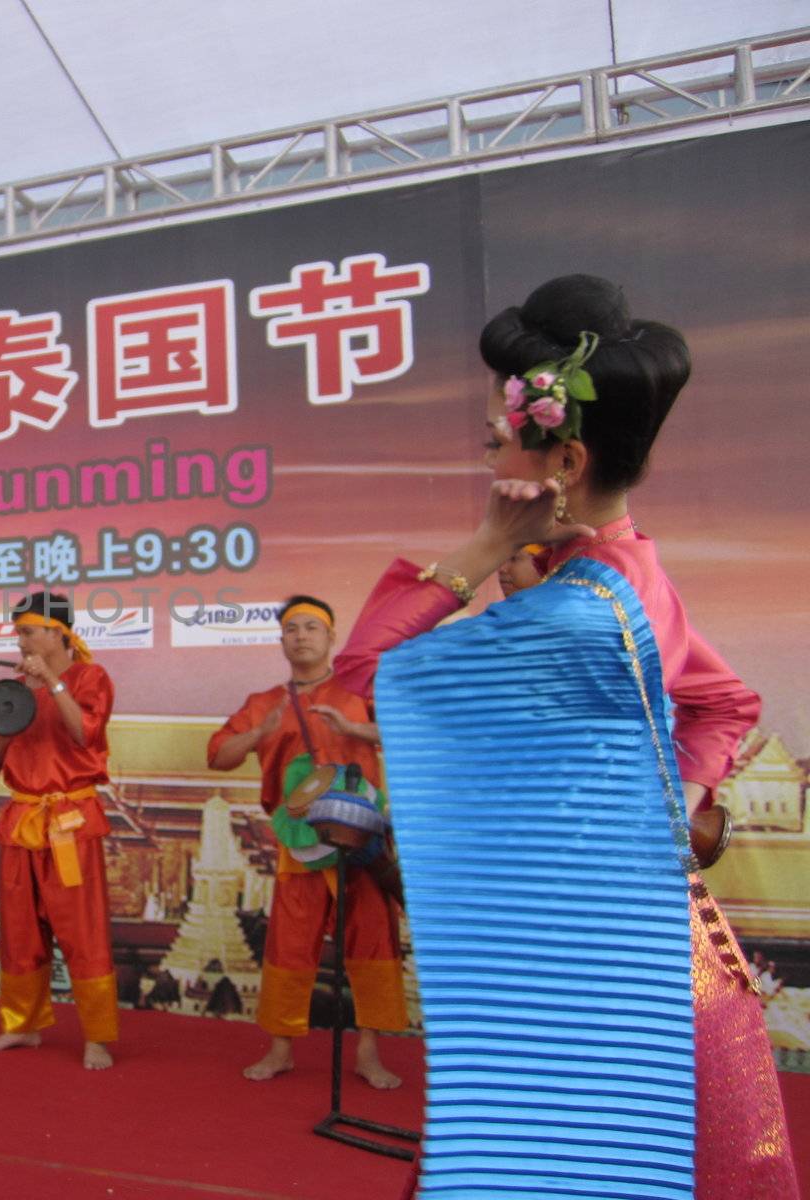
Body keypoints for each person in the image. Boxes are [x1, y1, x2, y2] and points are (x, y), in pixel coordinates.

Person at [334, 275, 797, 1196]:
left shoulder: (578, 611)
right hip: (642, 944)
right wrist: (676, 805)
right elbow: (728, 702)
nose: (488, 452)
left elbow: (364, 678)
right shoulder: (624, 576)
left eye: (498, 438)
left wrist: (475, 549)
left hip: (603, 973)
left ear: (566, 461)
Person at [207, 596, 405, 1088]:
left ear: (331, 638)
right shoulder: (263, 702)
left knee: (373, 944)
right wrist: (261, 734)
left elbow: (413, 733)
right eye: (292, 628)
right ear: (281, 641)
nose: (301, 636)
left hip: (361, 842)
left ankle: (368, 1052)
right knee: (290, 946)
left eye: (312, 627)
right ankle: (280, 1050)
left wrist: (356, 728)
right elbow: (218, 756)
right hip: (301, 845)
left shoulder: (361, 689)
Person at [0, 591, 120, 1071]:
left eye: (28, 631)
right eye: (17, 633)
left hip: (69, 822)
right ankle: (22, 1025)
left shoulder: (90, 677)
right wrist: (8, 718)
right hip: (22, 821)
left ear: (59, 632)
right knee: (20, 932)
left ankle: (97, 1036)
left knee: (82, 931)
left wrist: (53, 684)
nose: (20, 641)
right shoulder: (17, 687)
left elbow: (86, 734)